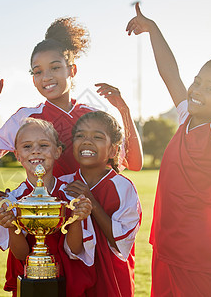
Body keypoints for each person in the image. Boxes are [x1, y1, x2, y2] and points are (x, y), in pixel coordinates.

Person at [126, 3, 211, 296]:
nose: (197, 90)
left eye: (210, 88)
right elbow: (170, 74)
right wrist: (153, 29)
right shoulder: (187, 117)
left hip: (199, 259)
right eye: (197, 82)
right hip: (167, 247)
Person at [0, 17, 143, 177]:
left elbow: (133, 163)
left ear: (72, 70)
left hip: (87, 210)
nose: (46, 77)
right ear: (33, 79)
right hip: (43, 209)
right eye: (38, 71)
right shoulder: (24, 118)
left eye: (55, 68)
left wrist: (124, 110)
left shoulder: (93, 116)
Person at [0, 118, 96, 297]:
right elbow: (22, 255)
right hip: (30, 283)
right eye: (27, 146)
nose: (36, 151)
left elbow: (75, 250)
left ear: (57, 151)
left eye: (43, 145)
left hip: (67, 282)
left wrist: (78, 218)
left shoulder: (70, 196)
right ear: (17, 155)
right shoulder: (12, 200)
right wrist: (10, 225)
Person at [63, 111, 142, 296]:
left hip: (112, 281)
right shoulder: (64, 185)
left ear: (114, 150)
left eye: (97, 137)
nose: (87, 141)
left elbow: (121, 241)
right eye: (80, 135)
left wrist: (92, 203)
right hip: (73, 280)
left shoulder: (123, 187)